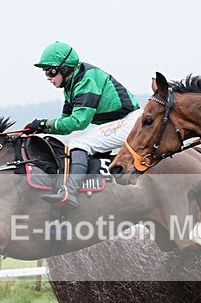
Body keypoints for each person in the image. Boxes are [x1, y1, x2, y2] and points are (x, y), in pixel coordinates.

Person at [25, 41, 141, 209]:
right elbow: (66, 123)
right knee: (72, 145)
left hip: (131, 122)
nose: (48, 77)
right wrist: (41, 128)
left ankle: (70, 192)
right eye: (45, 72)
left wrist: (44, 123)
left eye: (51, 71)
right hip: (118, 122)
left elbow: (78, 122)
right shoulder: (71, 85)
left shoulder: (86, 80)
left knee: (79, 143)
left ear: (65, 68)